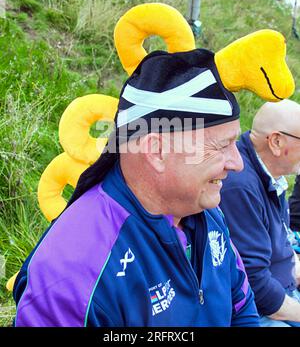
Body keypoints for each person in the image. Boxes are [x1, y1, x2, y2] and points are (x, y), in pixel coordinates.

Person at [13, 49, 259, 327]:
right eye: (221, 146)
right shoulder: (74, 271)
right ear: (156, 151)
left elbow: (241, 305)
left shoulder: (204, 211)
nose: (237, 163)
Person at [220, 99, 300, 327]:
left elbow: (283, 243)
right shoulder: (240, 186)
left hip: (284, 288)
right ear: (276, 141)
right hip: (262, 311)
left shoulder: (271, 172)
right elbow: (255, 284)